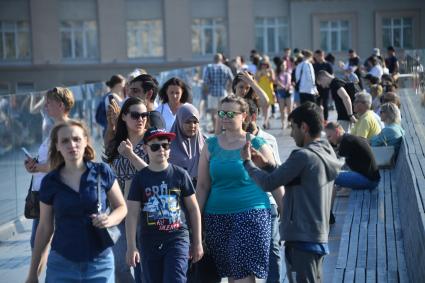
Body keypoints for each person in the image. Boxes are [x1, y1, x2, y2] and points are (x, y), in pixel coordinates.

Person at [241, 102, 343, 283]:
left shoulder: (303, 156)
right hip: (317, 234)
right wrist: (267, 165)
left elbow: (268, 183)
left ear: (304, 127)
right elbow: (292, 177)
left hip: (301, 238)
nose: (290, 133)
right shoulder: (325, 151)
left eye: (293, 127)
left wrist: (248, 163)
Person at [26, 120, 127, 282]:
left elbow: (122, 207)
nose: (71, 144)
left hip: (99, 263)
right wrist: (32, 273)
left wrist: (109, 219)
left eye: (76, 139)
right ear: (57, 146)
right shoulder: (50, 182)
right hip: (62, 264)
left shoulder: (102, 171)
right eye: (65, 141)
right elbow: (45, 227)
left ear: (86, 141)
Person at [196, 95, 283, 282]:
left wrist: (287, 212)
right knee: (232, 274)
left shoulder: (256, 143)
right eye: (222, 113)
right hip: (217, 217)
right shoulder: (210, 145)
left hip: (251, 214)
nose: (225, 117)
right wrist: (195, 221)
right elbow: (202, 186)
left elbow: (273, 178)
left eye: (230, 113)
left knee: (242, 273)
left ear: (244, 116)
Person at [126, 127, 203, 283]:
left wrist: (197, 242)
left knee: (175, 279)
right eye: (155, 146)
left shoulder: (180, 174)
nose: (161, 149)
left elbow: (193, 209)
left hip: (177, 238)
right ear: (145, 148)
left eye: (165, 145)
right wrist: (131, 246)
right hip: (149, 241)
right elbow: (132, 214)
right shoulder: (140, 179)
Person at [24, 87, 75, 277]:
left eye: (49, 102)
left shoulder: (67, 129)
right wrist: (34, 164)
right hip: (43, 194)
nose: (45, 106)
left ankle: (39, 278)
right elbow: (50, 159)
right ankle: (35, 278)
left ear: (60, 105)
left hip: (55, 195)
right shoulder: (54, 129)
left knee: (41, 242)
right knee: (38, 243)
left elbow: (61, 162)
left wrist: (37, 167)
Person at [104, 97, 150, 282]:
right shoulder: (117, 142)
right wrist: (111, 125)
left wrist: (130, 155)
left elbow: (153, 174)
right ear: (124, 117)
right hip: (120, 212)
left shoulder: (153, 140)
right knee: (119, 266)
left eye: (144, 115)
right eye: (135, 115)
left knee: (144, 268)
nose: (140, 119)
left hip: (146, 214)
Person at [244, 99, 284, 283]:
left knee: (272, 248)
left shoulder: (269, 140)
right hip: (244, 203)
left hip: (269, 201)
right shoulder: (228, 142)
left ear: (252, 116)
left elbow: (276, 172)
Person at [325, 121, 380, 190]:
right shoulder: (349, 138)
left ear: (337, 132)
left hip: (369, 181)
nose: (329, 140)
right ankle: (341, 191)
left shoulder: (346, 142)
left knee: (330, 176)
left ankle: (331, 198)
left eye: (329, 136)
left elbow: (337, 165)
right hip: (372, 178)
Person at [169, 103, 205, 186]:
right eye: (188, 122)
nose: (192, 126)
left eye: (195, 122)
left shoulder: (205, 143)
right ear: (179, 121)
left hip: (200, 191)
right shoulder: (167, 145)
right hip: (175, 191)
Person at [202, 53, 234, 131]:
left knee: (213, 113)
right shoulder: (226, 68)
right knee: (224, 112)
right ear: (221, 59)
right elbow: (232, 80)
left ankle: (215, 128)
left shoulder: (209, 68)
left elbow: (205, 81)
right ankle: (224, 127)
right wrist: (229, 90)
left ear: (214, 59)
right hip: (223, 92)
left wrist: (207, 90)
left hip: (212, 92)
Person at [313, 50, 333, 121]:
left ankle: (326, 120)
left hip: (326, 87)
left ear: (321, 55)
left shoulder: (328, 65)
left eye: (317, 56)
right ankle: (319, 119)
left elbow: (332, 76)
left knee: (325, 104)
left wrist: (329, 85)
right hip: (317, 88)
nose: (315, 57)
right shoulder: (314, 65)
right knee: (317, 104)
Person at [256, 58, 276, 129]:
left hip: (269, 89)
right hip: (261, 90)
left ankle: (265, 121)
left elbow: (273, 80)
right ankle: (266, 120)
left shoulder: (270, 70)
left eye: (265, 64)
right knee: (263, 106)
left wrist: (269, 75)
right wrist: (260, 75)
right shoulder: (258, 71)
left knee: (267, 106)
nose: (264, 65)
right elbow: (256, 81)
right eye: (262, 64)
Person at [275, 59, 293, 129]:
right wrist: (283, 86)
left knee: (289, 109)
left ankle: (289, 122)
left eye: (285, 65)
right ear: (280, 66)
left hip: (288, 91)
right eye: (282, 65)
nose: (283, 66)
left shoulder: (288, 73)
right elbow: (276, 81)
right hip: (280, 91)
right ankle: (283, 123)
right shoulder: (278, 74)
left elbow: (289, 81)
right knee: (282, 109)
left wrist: (287, 86)